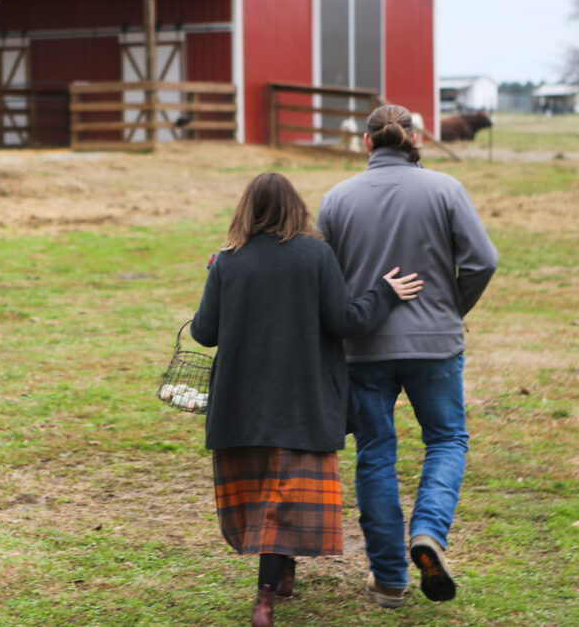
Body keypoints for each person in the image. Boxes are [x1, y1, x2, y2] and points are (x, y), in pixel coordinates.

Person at [190, 172, 423, 627]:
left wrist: (215, 276)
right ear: (296, 209)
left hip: (241, 405)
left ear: (245, 210)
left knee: (266, 496)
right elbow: (345, 320)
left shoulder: (228, 260)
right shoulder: (316, 254)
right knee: (286, 495)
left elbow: (203, 332)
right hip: (302, 402)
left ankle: (284, 576)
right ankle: (264, 599)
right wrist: (385, 293)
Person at [317, 104, 498, 609]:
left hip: (363, 349)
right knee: (446, 440)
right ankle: (428, 533)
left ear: (367, 143)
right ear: (415, 138)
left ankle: (390, 579)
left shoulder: (336, 198)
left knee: (376, 453)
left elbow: (322, 278)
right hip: (435, 344)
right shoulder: (446, 189)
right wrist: (449, 307)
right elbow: (484, 259)